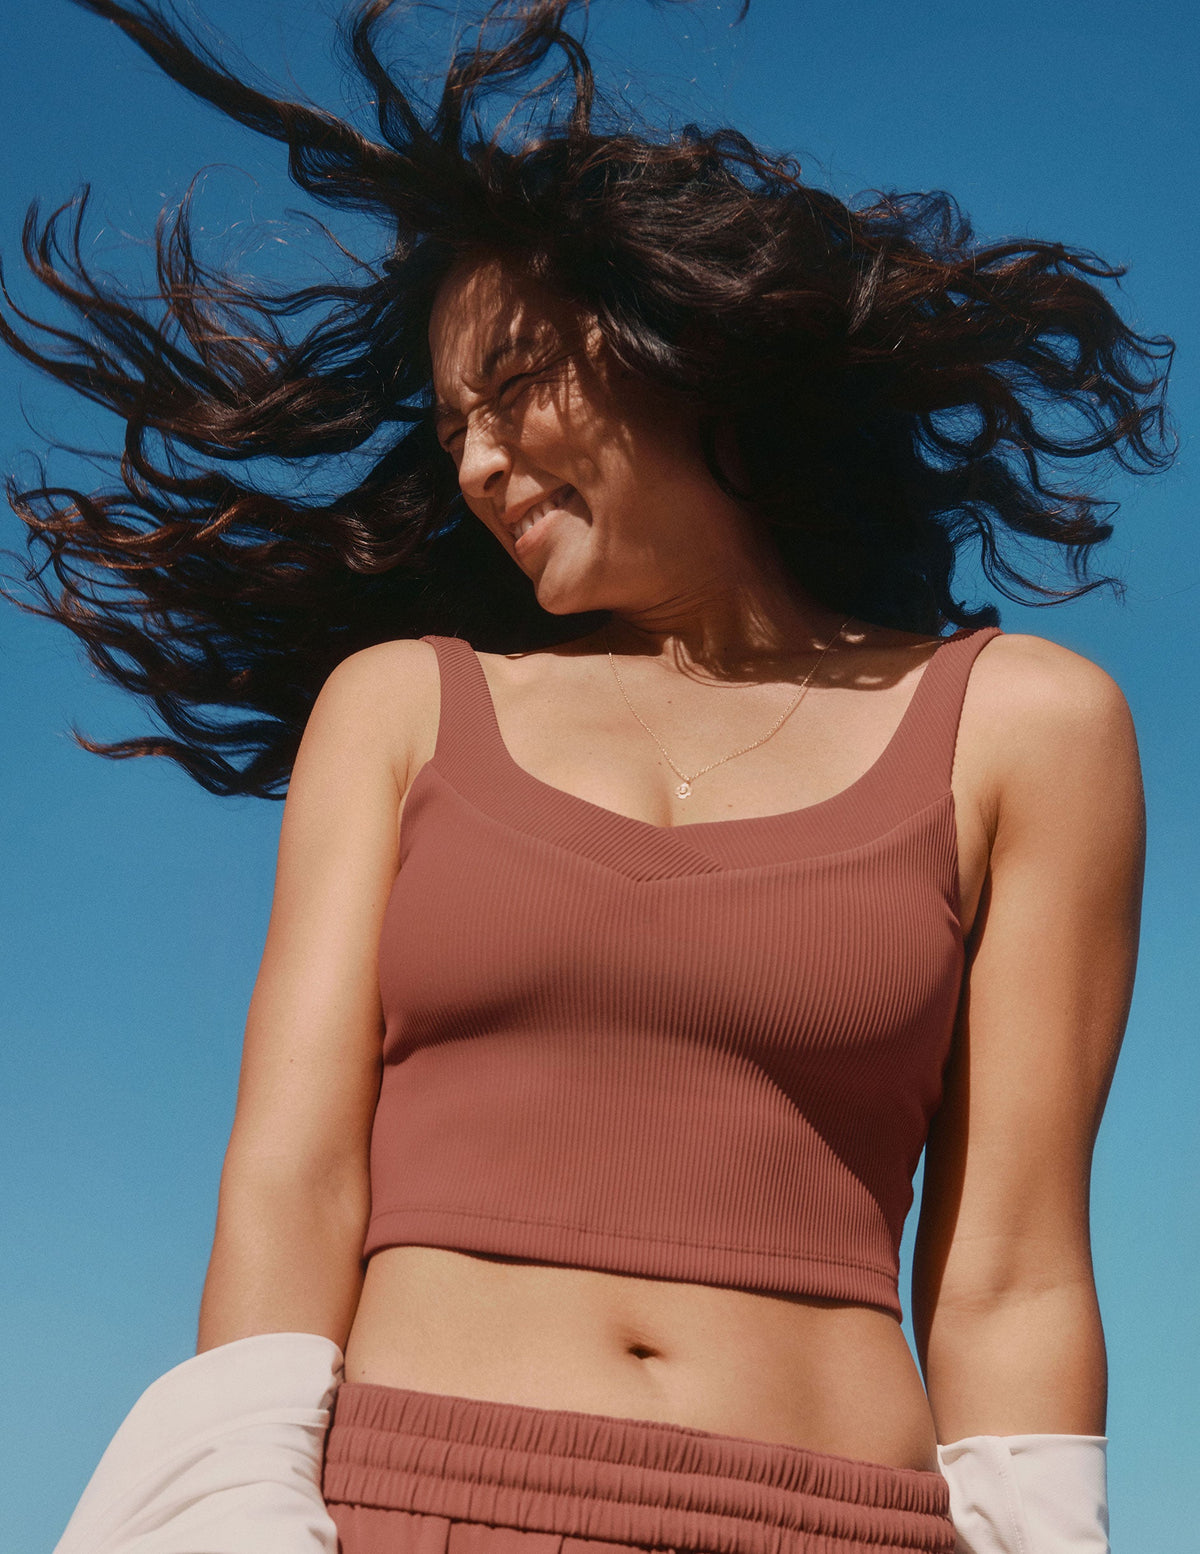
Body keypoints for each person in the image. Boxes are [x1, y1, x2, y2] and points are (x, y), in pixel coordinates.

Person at [1, 3, 1171, 1552]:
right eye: (453, 428)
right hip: (416, 1497)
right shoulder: (406, 707)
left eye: (516, 385)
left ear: (674, 339)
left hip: (842, 1516)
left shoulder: (1026, 725)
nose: (479, 460)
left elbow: (1013, 1269)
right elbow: (289, 1188)